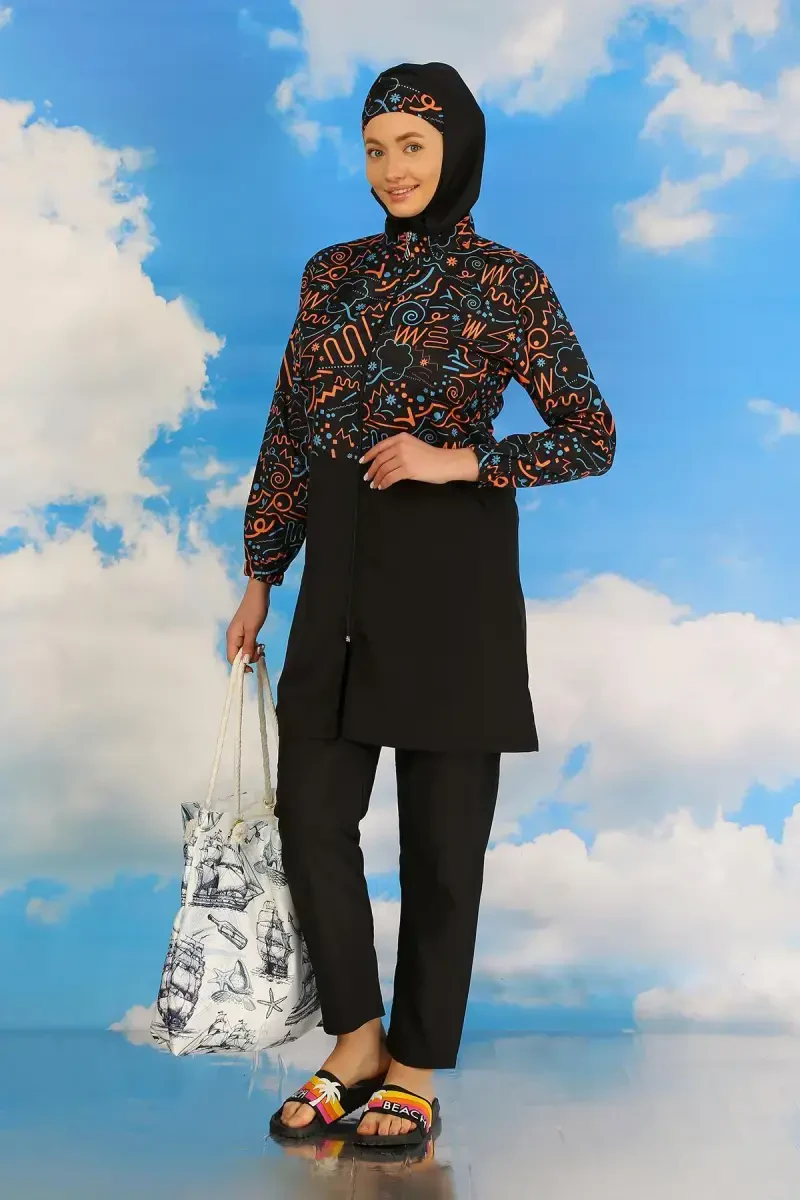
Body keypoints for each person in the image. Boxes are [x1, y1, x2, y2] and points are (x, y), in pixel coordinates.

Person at [226, 61, 616, 1148]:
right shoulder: (330, 275)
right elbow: (289, 427)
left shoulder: (508, 282)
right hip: (338, 575)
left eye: (412, 145)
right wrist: (262, 571)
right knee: (312, 813)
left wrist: (461, 461)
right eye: (375, 147)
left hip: (453, 581)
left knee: (444, 845)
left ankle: (415, 1066)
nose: (392, 168)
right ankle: (355, 1041)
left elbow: (589, 434)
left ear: (457, 150)